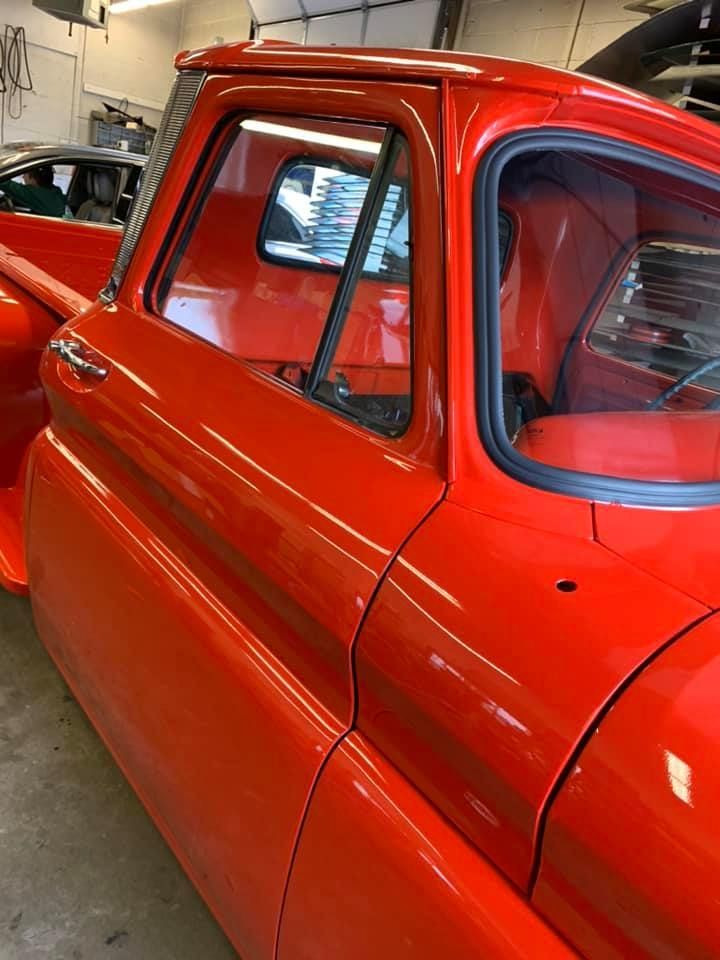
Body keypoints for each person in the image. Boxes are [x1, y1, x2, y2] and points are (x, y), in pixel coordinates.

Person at [0, 165, 65, 218]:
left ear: (34, 179)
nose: (23, 177)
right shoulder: (55, 191)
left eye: (25, 174)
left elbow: (7, 184)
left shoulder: (37, 193)